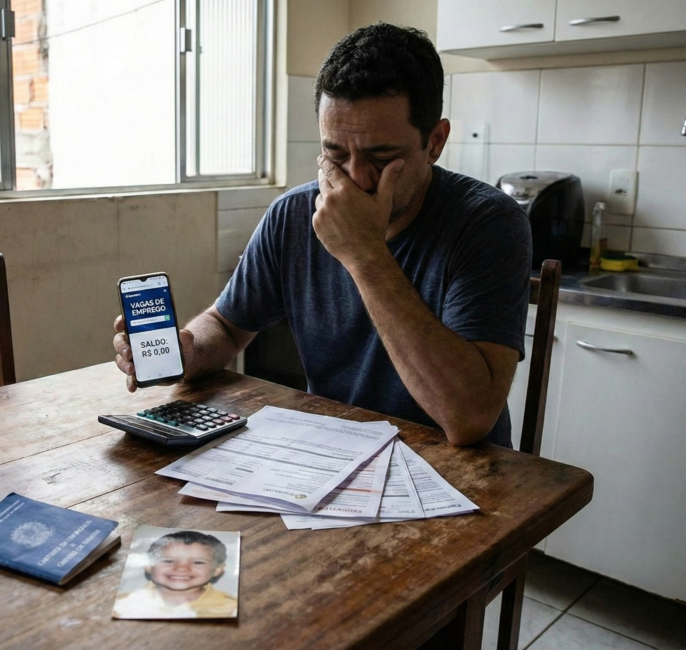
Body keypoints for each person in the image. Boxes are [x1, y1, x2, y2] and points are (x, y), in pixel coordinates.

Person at [112, 24, 531, 448]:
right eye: (335, 154)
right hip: (330, 455)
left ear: (435, 142)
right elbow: (226, 325)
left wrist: (364, 254)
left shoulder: (490, 223)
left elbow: (468, 418)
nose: (356, 178)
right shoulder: (293, 214)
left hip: (458, 472)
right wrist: (188, 351)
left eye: (382, 157)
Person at [112, 531, 238, 618]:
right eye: (168, 561)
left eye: (198, 562)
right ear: (148, 565)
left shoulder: (231, 608)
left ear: (217, 569)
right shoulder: (122, 604)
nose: (181, 568)